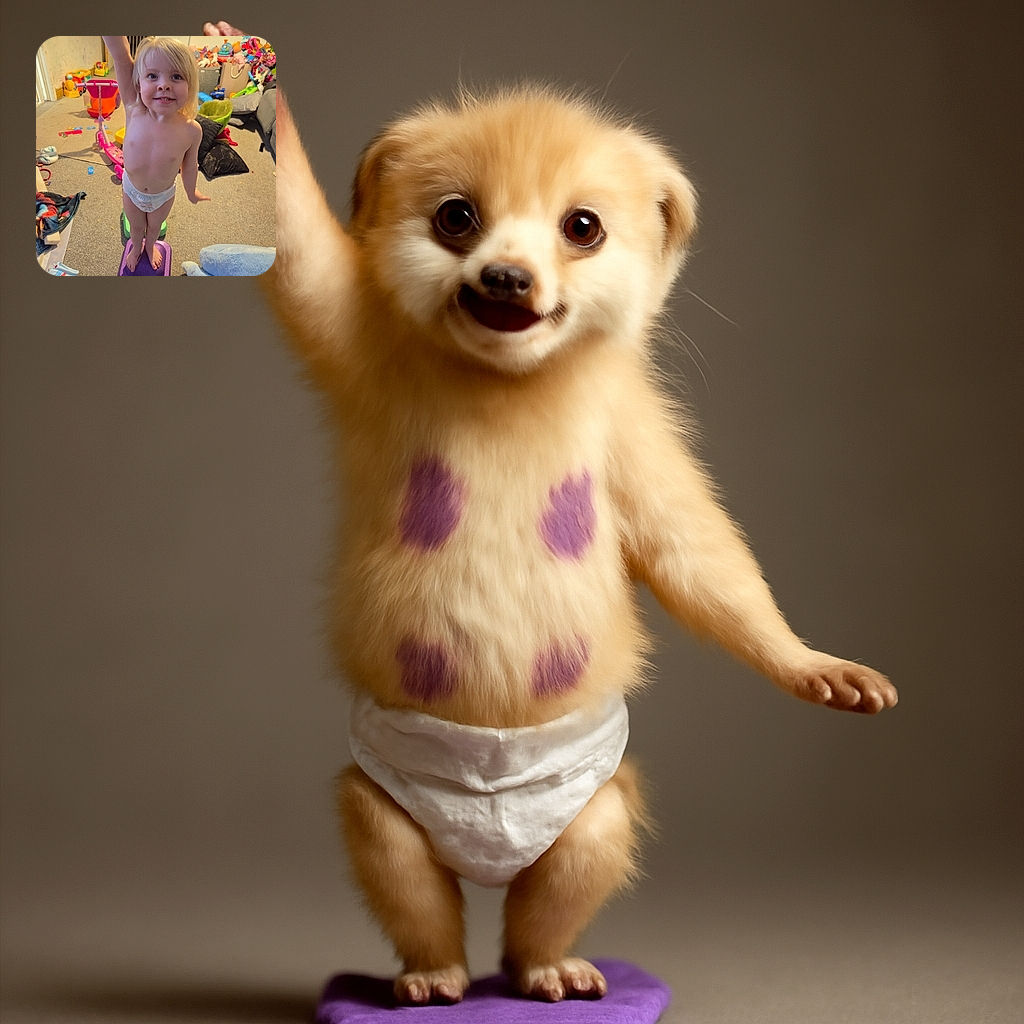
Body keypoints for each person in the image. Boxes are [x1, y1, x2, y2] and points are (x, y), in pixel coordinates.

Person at [102, 36, 210, 272]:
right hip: (131, 189)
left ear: (190, 85)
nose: (164, 85)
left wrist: (192, 192)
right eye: (153, 76)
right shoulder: (134, 109)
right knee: (136, 227)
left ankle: (150, 247)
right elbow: (121, 59)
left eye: (176, 77)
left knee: (154, 229)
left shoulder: (191, 130)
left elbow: (190, 166)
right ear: (138, 84)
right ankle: (136, 248)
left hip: (163, 196)